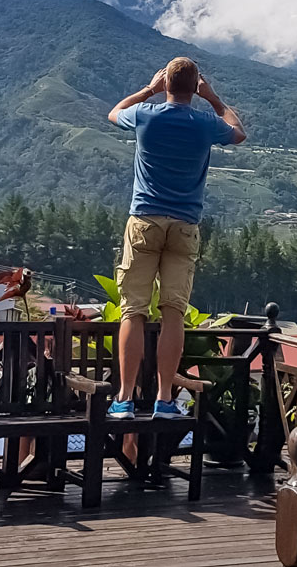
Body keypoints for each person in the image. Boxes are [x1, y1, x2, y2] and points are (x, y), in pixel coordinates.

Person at [106, 56, 247, 418]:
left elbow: (114, 113)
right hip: (185, 225)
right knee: (174, 313)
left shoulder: (145, 115)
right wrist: (213, 98)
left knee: (133, 311)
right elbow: (238, 131)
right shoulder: (204, 123)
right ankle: (165, 398)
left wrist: (148, 90)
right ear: (195, 87)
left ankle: (124, 398)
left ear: (166, 83)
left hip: (144, 221)